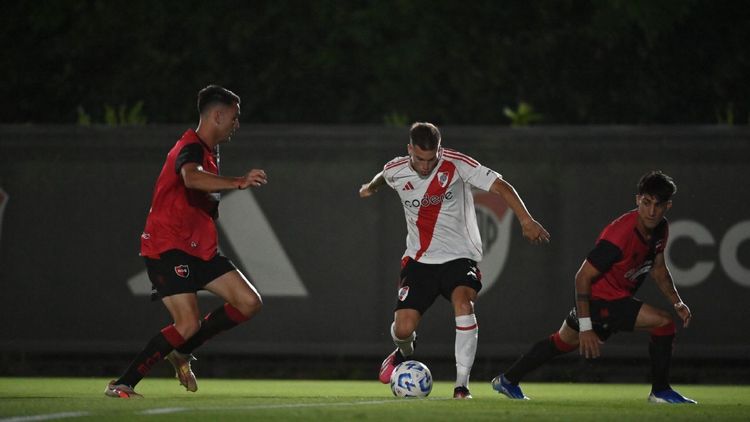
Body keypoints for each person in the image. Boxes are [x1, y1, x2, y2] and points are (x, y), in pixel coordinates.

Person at [359, 122, 550, 399]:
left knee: (464, 304)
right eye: (420, 159)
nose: (426, 166)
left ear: (439, 149)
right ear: (409, 150)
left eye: (432, 158)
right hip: (419, 260)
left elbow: (501, 186)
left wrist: (526, 219)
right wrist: (371, 187)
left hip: (460, 258)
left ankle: (462, 386)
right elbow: (382, 176)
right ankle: (402, 352)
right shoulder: (395, 170)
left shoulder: (457, 163)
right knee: (403, 329)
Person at [105, 85, 267, 398]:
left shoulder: (210, 151)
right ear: (217, 115)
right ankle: (123, 384)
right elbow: (190, 178)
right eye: (234, 117)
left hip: (199, 249)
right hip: (167, 247)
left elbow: (198, 196)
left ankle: (181, 351)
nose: (237, 123)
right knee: (187, 324)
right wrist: (239, 181)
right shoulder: (190, 147)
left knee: (249, 302)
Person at [491, 170, 697, 404]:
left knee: (561, 342)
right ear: (637, 199)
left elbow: (658, 268)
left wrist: (676, 300)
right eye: (646, 202)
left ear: (667, 206)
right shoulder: (620, 234)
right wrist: (587, 326)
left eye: (658, 205)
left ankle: (508, 380)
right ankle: (660, 391)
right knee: (663, 322)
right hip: (601, 302)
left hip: (606, 301)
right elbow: (582, 277)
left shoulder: (661, 228)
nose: (651, 211)